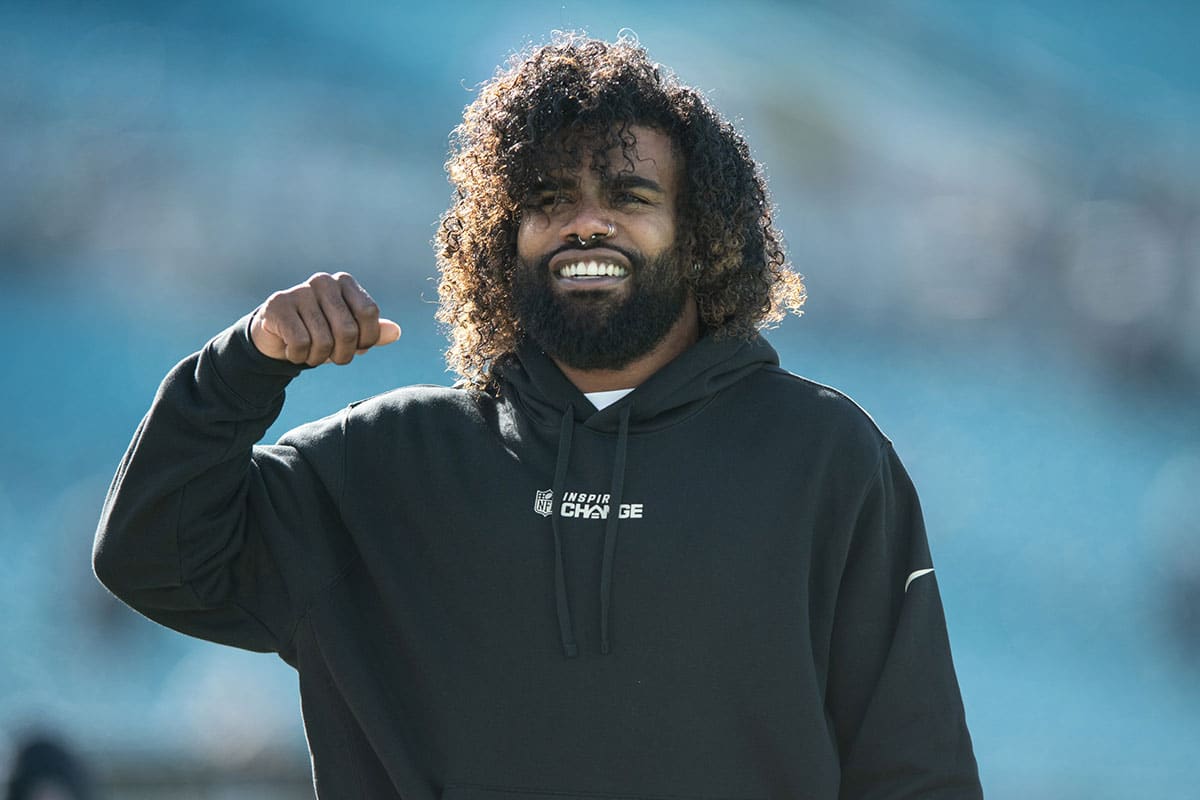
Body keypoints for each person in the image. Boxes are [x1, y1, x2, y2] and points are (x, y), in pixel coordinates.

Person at [93, 32, 982, 799]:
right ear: (497, 235)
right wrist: (244, 364)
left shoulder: (827, 458)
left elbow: (916, 771)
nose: (586, 224)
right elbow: (151, 556)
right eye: (550, 198)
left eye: (630, 197)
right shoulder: (383, 460)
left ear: (703, 233)